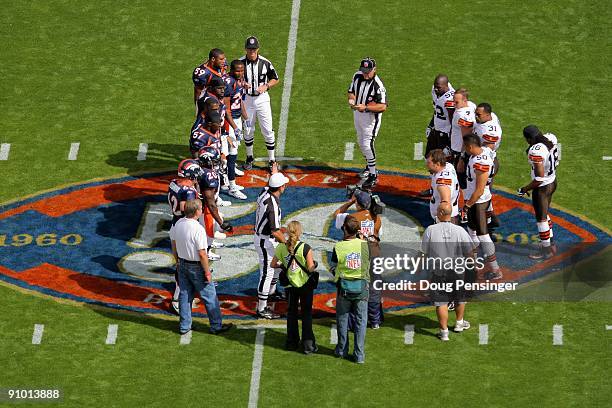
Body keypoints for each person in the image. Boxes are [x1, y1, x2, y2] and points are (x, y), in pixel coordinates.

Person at [169, 199, 233, 335]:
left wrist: (177, 261)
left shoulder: (178, 224)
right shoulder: (198, 229)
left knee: (185, 295)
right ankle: (216, 326)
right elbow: (202, 254)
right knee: (209, 296)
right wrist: (207, 272)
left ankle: (184, 326)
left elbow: (173, 245)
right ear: (197, 211)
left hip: (182, 263)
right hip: (196, 266)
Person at [421, 202, 475, 341]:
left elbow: (425, 252)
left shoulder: (430, 230)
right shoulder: (460, 231)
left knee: (441, 302)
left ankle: (444, 332)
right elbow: (469, 252)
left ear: (440, 214)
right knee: (459, 297)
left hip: (438, 271)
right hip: (457, 270)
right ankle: (459, 323)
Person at [333, 189, 383, 328]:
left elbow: (336, 215)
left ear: (358, 203)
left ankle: (354, 322)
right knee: (375, 288)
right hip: (375, 254)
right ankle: (375, 321)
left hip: (361, 254)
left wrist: (349, 202)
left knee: (356, 288)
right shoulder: (377, 218)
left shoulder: (352, 217)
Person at [270, 220, 318, 354]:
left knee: (291, 314)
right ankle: (308, 346)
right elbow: (310, 268)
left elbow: (273, 264)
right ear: (299, 232)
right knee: (306, 314)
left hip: (290, 285)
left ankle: (291, 342)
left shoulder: (280, 247)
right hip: (305, 286)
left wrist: (284, 266)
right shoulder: (305, 247)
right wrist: (315, 264)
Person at [331, 215, 370, 364]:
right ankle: (359, 355)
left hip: (344, 288)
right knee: (361, 321)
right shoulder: (365, 245)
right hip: (362, 288)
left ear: (345, 229)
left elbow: (334, 266)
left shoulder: (338, 246)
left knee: (342, 319)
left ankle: (342, 349)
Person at [462, 134, 501, 279]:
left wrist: (467, 206)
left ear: (470, 147)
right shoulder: (485, 151)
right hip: (476, 198)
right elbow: (496, 164)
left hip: (478, 201)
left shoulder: (481, 162)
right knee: (471, 230)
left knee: (483, 235)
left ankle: (496, 269)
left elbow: (479, 190)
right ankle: (473, 262)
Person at [518, 125, 560, 259]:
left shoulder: (535, 151)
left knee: (541, 220)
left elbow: (539, 178)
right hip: (553, 181)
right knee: (544, 214)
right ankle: (551, 243)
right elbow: (557, 160)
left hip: (542, 188)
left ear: (528, 139)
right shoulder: (550, 138)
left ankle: (546, 251)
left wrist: (525, 188)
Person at [168, 159, 203, 314]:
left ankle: (183, 295)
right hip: (183, 227)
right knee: (185, 264)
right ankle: (177, 300)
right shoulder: (187, 191)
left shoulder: (174, 183)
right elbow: (185, 208)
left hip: (175, 223)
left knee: (183, 263)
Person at [254, 165, 289, 319]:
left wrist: (274, 172)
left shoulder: (265, 193)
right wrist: (288, 244)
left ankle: (272, 292)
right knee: (267, 273)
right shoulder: (272, 205)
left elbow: (268, 184)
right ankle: (261, 308)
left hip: (266, 238)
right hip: (266, 240)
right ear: (281, 187)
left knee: (277, 267)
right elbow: (275, 231)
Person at [240, 36, 279, 171]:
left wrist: (266, 86)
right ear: (245, 49)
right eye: (250, 49)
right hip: (246, 99)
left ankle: (272, 160)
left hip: (262, 99)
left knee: (267, 129)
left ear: (258, 49)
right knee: (248, 129)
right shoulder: (239, 63)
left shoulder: (265, 62)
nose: (252, 51)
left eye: (254, 49)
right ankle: (249, 157)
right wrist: (241, 84)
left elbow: (275, 78)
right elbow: (231, 78)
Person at [347, 57, 387, 189]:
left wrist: (366, 107)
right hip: (358, 114)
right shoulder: (357, 76)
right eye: (363, 70)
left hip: (370, 119)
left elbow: (383, 106)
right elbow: (351, 91)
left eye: (368, 71)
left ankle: (373, 174)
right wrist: (352, 101)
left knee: (366, 144)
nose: (365, 73)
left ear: (374, 70)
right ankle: (369, 166)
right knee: (360, 142)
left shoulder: (378, 85)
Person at [197, 146, 233, 261]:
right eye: (215, 160)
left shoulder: (202, 170)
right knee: (207, 229)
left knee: (208, 229)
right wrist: (221, 223)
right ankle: (207, 251)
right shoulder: (208, 176)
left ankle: (209, 244)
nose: (217, 162)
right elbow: (210, 203)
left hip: (205, 205)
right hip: (205, 207)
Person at [221, 59, 248, 199]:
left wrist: (246, 118)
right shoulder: (228, 83)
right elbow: (226, 110)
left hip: (236, 119)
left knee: (234, 152)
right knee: (230, 153)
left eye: (242, 70)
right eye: (237, 70)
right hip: (228, 121)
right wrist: (235, 127)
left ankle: (228, 181)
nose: (240, 73)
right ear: (232, 70)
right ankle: (231, 186)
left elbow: (240, 100)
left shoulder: (240, 80)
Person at [473, 102, 503, 231]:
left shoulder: (490, 130)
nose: (476, 117)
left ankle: (486, 223)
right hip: (486, 161)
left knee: (482, 194)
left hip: (487, 163)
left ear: (487, 115)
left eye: (478, 115)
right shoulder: (490, 118)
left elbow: (488, 148)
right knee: (485, 192)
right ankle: (491, 219)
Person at [425, 149, 460, 223]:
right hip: (450, 214)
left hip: (445, 218)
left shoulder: (442, 181)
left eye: (429, 163)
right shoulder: (448, 166)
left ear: (437, 164)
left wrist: (439, 220)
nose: (426, 165)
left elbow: (445, 203)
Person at [426, 74, 455, 155]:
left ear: (446, 86)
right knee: (429, 157)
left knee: (442, 161)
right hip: (436, 130)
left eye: (438, 87)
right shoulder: (436, 90)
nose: (436, 89)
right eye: (435, 86)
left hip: (445, 134)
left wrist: (450, 143)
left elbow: (453, 123)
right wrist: (431, 125)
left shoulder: (450, 100)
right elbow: (436, 110)